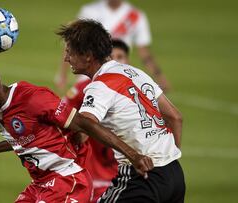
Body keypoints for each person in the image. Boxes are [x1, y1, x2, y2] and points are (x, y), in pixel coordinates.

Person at [0, 59, 154, 203]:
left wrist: (132, 154)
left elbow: (85, 124)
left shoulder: (31, 99)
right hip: (40, 185)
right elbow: (26, 141)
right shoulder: (0, 113)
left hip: (68, 180)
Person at [57, 19, 185, 202]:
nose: (66, 58)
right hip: (174, 174)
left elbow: (86, 126)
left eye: (69, 52)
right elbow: (175, 117)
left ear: (87, 55)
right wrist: (168, 159)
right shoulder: (135, 73)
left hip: (142, 176)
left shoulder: (100, 86)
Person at [63, 39, 130, 203]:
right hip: (95, 170)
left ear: (127, 60)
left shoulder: (132, 86)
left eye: (120, 56)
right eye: (112, 56)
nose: (116, 60)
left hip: (124, 168)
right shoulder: (86, 88)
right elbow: (62, 113)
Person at [55, 0, 171, 93]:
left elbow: (144, 53)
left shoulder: (136, 16)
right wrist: (63, 74)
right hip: (90, 72)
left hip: (120, 73)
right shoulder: (90, 11)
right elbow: (73, 44)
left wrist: (159, 77)